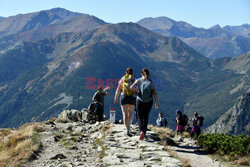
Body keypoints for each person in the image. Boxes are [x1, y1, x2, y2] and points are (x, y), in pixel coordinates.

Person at [130, 68, 159, 140]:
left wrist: (136, 92)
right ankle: (144, 131)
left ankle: (141, 131)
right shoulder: (151, 82)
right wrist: (156, 103)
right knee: (146, 116)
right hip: (149, 102)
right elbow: (155, 93)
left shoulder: (139, 80)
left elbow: (131, 87)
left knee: (139, 116)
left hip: (140, 100)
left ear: (141, 74)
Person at [114, 68, 136, 136]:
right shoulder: (134, 79)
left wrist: (116, 97)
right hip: (132, 97)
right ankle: (129, 125)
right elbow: (137, 88)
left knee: (125, 113)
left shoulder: (123, 78)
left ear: (126, 72)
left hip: (124, 96)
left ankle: (127, 128)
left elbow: (118, 89)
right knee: (130, 112)